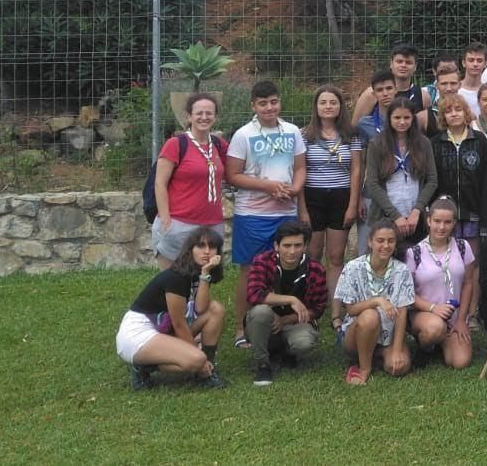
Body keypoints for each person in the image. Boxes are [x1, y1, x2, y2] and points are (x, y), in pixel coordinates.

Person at [226, 80, 306, 350]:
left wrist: (293, 190)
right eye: (262, 103)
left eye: (273, 102)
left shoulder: (293, 131)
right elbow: (233, 175)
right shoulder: (243, 135)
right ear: (253, 106)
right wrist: (269, 187)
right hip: (252, 215)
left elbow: (300, 168)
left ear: (279, 102)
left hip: (286, 212)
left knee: (285, 269)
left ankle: (283, 322)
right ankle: (240, 327)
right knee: (249, 271)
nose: (269, 108)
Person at [116, 226, 228, 390]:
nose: (207, 252)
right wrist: (200, 358)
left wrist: (205, 273)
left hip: (161, 329)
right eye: (200, 246)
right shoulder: (176, 278)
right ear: (190, 250)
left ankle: (207, 370)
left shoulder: (199, 273)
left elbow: (201, 309)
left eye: (212, 247)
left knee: (216, 309)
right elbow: (179, 324)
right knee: (196, 359)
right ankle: (142, 367)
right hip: (138, 334)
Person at [299, 85, 360, 330]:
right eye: (323, 102)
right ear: (316, 106)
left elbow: (356, 170)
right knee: (312, 256)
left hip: (341, 198)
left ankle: (336, 312)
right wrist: (302, 208)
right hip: (312, 198)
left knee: (335, 258)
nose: (328, 106)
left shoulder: (351, 134)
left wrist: (353, 204)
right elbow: (299, 172)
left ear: (339, 107)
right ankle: (311, 308)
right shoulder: (304, 135)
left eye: (333, 102)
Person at [245, 219, 329, 385]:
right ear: (277, 246)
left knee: (304, 343)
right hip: (265, 321)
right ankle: (263, 363)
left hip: (295, 322)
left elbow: (318, 308)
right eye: (287, 245)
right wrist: (291, 300)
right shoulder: (262, 261)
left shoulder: (315, 269)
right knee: (260, 312)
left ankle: (287, 353)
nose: (292, 251)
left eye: (298, 245)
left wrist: (286, 320)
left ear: (305, 247)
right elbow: (254, 295)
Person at [150, 92, 228, 268]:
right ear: (189, 116)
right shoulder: (176, 144)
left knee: (204, 277)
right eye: (199, 113)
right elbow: (159, 183)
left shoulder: (218, 144)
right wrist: (165, 220)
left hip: (212, 224)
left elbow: (234, 171)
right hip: (179, 223)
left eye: (209, 113)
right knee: (173, 280)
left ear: (215, 116)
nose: (204, 117)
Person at [335, 220, 415, 385]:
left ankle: (378, 353)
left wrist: (398, 349)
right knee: (370, 316)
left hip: (388, 336)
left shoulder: (401, 270)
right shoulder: (353, 267)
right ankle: (364, 367)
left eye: (390, 241)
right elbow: (351, 310)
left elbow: (402, 312)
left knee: (398, 367)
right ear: (370, 242)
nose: (385, 245)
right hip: (356, 333)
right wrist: (378, 301)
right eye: (380, 240)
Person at [404, 198, 479, 370]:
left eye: (447, 222)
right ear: (428, 221)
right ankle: (426, 347)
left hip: (454, 317)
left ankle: (442, 343)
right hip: (425, 314)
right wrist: (433, 308)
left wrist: (462, 319)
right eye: (437, 221)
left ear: (454, 223)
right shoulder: (414, 252)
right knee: (434, 328)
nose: (441, 227)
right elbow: (407, 294)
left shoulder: (462, 246)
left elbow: (468, 283)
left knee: (460, 362)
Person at [362, 100, 437, 254]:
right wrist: (396, 216)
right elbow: (373, 184)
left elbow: (432, 180)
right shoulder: (377, 144)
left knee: (417, 263)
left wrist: (417, 211)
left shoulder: (423, 143)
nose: (402, 122)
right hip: (386, 216)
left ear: (413, 119)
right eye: (397, 118)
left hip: (416, 217)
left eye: (407, 118)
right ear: (389, 119)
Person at [429, 94, 487, 245]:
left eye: (458, 109)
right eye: (448, 111)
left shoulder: (479, 139)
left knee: (472, 257)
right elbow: (432, 179)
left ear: (466, 113)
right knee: (448, 253)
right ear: (443, 116)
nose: (454, 114)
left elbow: (486, 178)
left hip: (473, 208)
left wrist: (485, 213)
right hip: (445, 210)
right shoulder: (435, 143)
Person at [351, 43, 427, 127]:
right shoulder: (371, 94)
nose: (403, 65)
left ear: (415, 66)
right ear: (391, 63)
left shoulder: (423, 96)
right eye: (399, 61)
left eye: (408, 62)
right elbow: (355, 128)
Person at [457, 42, 487, 116]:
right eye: (471, 60)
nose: (475, 64)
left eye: (479, 61)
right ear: (463, 63)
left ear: (485, 64)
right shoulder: (454, 89)